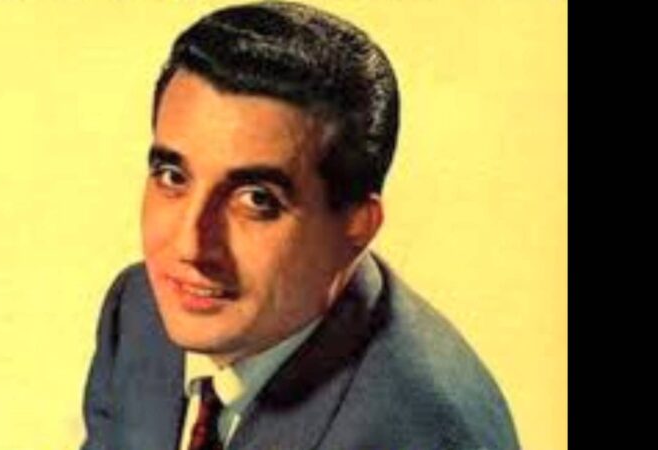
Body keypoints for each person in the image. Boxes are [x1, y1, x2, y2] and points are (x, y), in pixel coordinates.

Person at [80, 2, 520, 449]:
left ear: (357, 227)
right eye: (173, 177)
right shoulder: (138, 311)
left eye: (257, 200)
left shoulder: (422, 434)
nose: (190, 246)